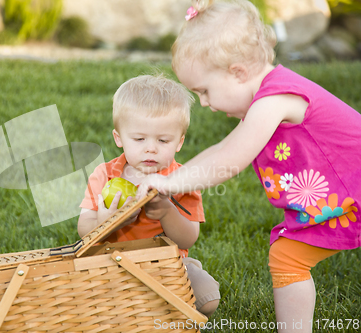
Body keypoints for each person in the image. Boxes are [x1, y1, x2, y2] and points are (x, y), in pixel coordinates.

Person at [136, 0, 361, 332]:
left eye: (205, 91)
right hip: (346, 190)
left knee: (289, 256)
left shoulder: (276, 99)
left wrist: (171, 183)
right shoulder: (270, 96)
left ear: (237, 72)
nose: (207, 104)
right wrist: (175, 178)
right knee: (288, 255)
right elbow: (224, 148)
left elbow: (229, 160)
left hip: (352, 186)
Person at [78, 74, 220, 317]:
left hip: (167, 264)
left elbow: (188, 239)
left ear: (179, 142)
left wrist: (166, 211)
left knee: (207, 299)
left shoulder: (182, 179)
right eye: (139, 138)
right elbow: (84, 231)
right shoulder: (104, 175)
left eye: (163, 140)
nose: (151, 148)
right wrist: (108, 219)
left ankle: (178, 280)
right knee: (84, 301)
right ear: (119, 138)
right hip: (115, 262)